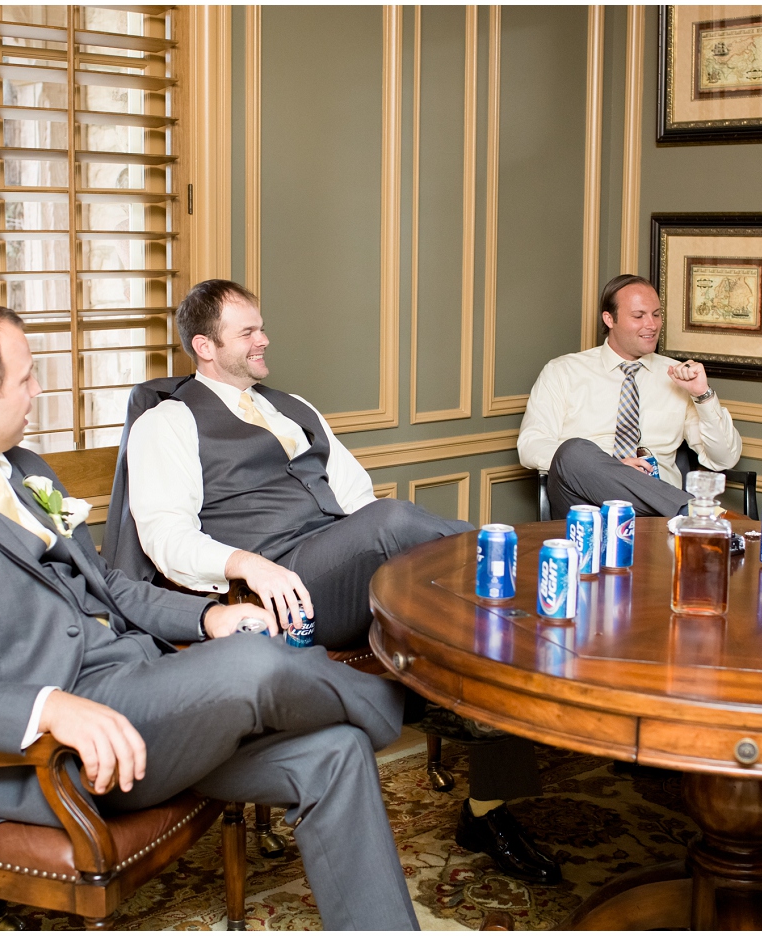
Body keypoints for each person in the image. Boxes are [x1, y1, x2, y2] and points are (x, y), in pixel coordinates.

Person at [0, 302, 418, 930]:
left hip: (146, 696)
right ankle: (399, 701)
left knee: (337, 751)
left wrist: (209, 618)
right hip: (58, 753)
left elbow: (107, 583)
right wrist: (51, 708)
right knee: (255, 665)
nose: (37, 390)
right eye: (26, 378)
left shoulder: (21, 467)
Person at [123, 279, 562, 886]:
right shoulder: (168, 421)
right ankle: (526, 564)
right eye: (247, 331)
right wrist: (247, 565)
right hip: (275, 591)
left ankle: (488, 809)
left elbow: (356, 499)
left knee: (483, 627)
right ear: (203, 345)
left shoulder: (293, 407)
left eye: (261, 326)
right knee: (398, 524)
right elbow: (164, 538)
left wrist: (406, 567)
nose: (264, 339)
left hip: (340, 566)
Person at [518, 273, 743, 520]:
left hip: (654, 514)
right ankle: (696, 514)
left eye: (656, 314)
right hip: (585, 509)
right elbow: (530, 446)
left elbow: (724, 459)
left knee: (576, 452)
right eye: (639, 316)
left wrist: (703, 395)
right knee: (573, 451)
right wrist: (610, 469)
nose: (652, 324)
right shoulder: (563, 371)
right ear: (609, 319)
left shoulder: (678, 376)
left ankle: (684, 511)